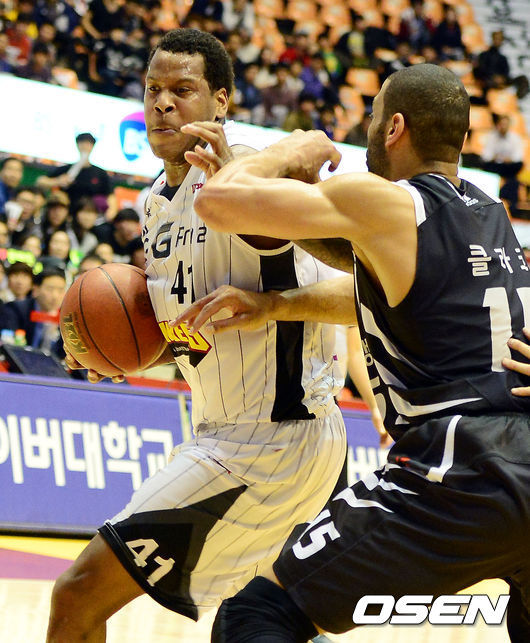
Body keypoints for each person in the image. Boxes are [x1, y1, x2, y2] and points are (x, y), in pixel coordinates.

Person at [180, 64, 530, 642]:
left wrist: (284, 151)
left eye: (372, 117)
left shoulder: (385, 199)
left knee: (255, 614)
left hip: (463, 469)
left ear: (394, 128)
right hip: (521, 452)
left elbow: (217, 203)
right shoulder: (490, 213)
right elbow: (376, 285)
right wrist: (277, 305)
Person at [46, 29, 349, 642]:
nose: (162, 103)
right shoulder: (155, 202)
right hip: (240, 435)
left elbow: (355, 288)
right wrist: (123, 351)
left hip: (269, 442)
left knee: (77, 595)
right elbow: (194, 322)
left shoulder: (246, 178)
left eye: (182, 90)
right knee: (250, 627)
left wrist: (270, 301)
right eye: (153, 89)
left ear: (221, 101)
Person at [37, 132, 112, 215]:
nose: (85, 146)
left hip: (88, 215)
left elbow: (110, 196)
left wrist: (110, 214)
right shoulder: (66, 169)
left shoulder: (100, 173)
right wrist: (58, 181)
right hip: (65, 212)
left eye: (88, 144)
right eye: (82, 143)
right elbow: (41, 181)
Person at [0, 267, 66, 356]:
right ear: (35, 290)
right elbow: (8, 344)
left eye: (60, 290)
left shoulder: (67, 318)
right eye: (50, 289)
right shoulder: (16, 309)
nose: (55, 296)